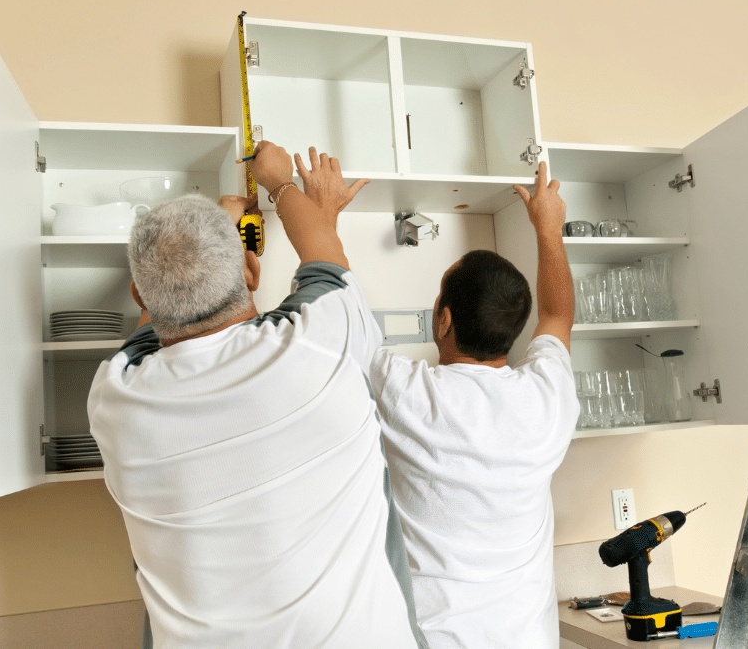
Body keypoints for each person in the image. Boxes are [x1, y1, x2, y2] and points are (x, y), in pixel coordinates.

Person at [88, 141, 427, 649]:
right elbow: (325, 258)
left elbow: (148, 332)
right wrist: (281, 183)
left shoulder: (115, 398)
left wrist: (213, 232)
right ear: (252, 272)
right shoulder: (319, 341)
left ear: (139, 296)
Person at [368, 161, 578, 649]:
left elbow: (337, 318)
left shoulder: (407, 392)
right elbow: (558, 312)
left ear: (442, 321)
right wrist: (549, 228)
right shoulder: (546, 398)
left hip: (435, 639)